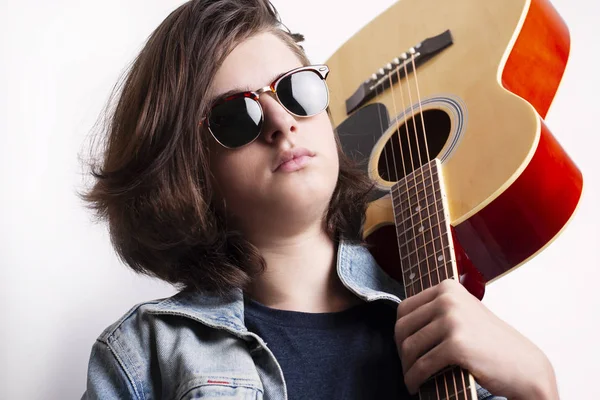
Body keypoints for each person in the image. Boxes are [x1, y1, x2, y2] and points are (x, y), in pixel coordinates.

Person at [81, 0, 559, 398]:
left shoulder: (441, 308)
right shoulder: (142, 353)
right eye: (235, 115)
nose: (281, 122)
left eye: (297, 89)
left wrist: (537, 384)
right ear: (186, 169)